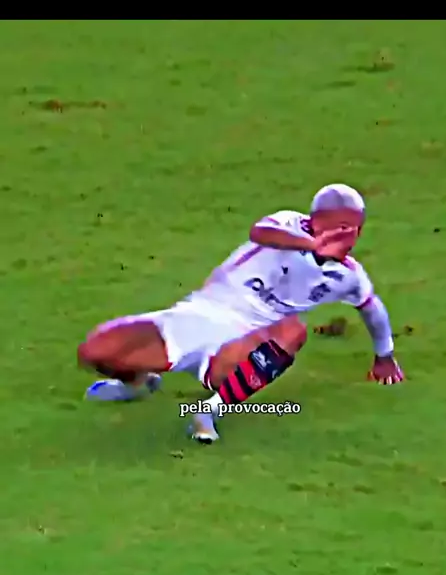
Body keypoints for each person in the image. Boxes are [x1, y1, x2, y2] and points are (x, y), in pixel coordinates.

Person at [78, 183, 404, 444]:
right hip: (198, 316)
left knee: (292, 329)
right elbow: (260, 232)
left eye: (353, 229)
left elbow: (371, 308)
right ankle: (137, 383)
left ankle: (209, 411)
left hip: (244, 345)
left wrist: (384, 356)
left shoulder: (348, 275)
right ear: (316, 220)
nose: (347, 236)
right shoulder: (288, 225)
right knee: (95, 351)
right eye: (339, 226)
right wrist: (312, 247)